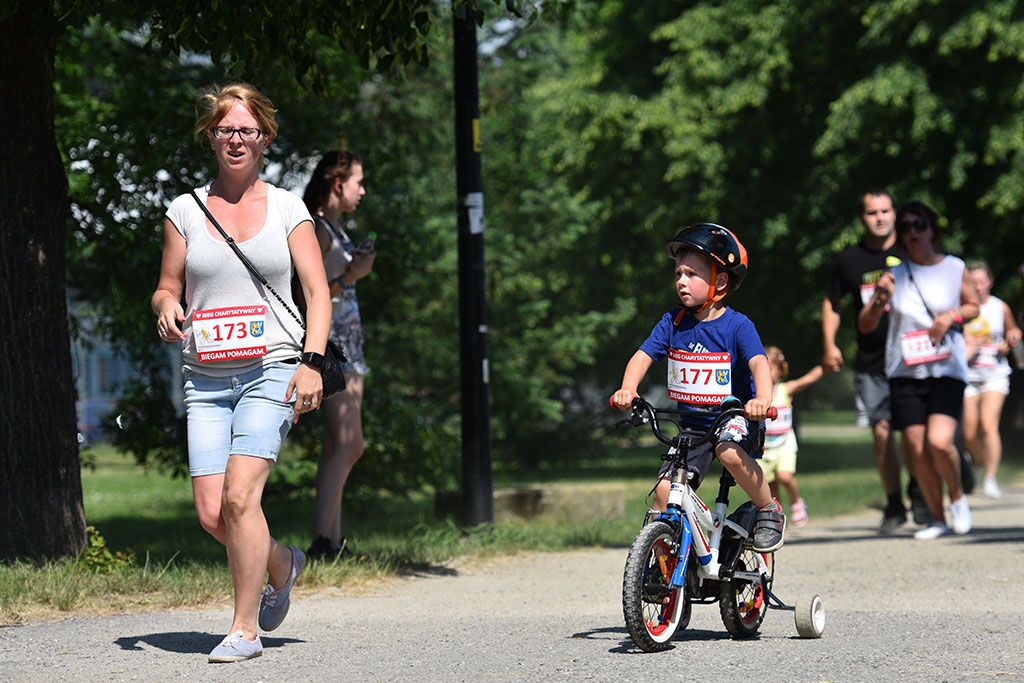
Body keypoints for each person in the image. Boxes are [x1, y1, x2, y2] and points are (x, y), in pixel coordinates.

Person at [152, 82, 332, 662]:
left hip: (271, 369)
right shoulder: (185, 210)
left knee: (239, 497)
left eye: (247, 130)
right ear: (211, 137)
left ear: (265, 139)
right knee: (212, 513)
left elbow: (318, 293)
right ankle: (283, 563)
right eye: (226, 129)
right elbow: (167, 285)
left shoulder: (287, 208)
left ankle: (245, 629)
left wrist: (312, 363)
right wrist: (165, 307)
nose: (236, 139)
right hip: (204, 378)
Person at [610, 223, 785, 553]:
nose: (681, 280)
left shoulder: (737, 325)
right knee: (663, 492)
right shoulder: (673, 322)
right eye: (678, 272)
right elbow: (643, 355)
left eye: (692, 273)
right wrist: (627, 389)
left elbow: (759, 363)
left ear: (720, 280)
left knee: (728, 451)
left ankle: (768, 510)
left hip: (734, 418)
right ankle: (669, 566)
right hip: (692, 424)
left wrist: (763, 399)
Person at [859, 201, 979, 540]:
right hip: (905, 372)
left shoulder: (954, 267)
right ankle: (937, 518)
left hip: (946, 369)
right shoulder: (892, 276)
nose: (913, 232)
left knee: (939, 442)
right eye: (907, 226)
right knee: (917, 449)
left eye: (919, 224)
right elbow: (866, 325)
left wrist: (950, 316)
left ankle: (957, 498)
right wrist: (879, 299)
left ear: (932, 229)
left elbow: (973, 306)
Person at [821, 188, 918, 532]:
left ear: (895, 214)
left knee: (914, 433)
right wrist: (830, 343)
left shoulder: (912, 250)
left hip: (913, 356)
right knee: (881, 431)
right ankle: (894, 504)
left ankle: (920, 490)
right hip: (872, 359)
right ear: (862, 218)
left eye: (885, 211)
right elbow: (833, 302)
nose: (879, 218)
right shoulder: (850, 261)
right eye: (872, 213)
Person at [301, 151, 375, 560]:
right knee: (349, 444)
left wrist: (353, 270)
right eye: (358, 182)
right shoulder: (316, 228)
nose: (362, 191)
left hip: (351, 348)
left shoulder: (335, 228)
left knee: (337, 445)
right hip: (331, 348)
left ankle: (331, 539)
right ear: (336, 183)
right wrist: (351, 276)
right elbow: (308, 295)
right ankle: (323, 543)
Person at [961, 261, 1021, 499]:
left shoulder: (1000, 307)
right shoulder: (961, 307)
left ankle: (991, 478)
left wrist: (1010, 341)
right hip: (968, 375)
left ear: (990, 282)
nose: (977, 286)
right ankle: (978, 461)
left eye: (981, 281)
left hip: (995, 374)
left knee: (988, 425)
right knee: (969, 433)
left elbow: (1012, 331)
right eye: (972, 282)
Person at [762, 346, 827, 528]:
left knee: (784, 476)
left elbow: (808, 379)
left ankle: (796, 501)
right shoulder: (756, 395)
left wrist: (825, 366)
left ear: (780, 370)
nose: (765, 373)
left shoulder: (785, 390)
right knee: (771, 488)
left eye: (770, 368)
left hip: (784, 444)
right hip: (765, 448)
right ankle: (778, 519)